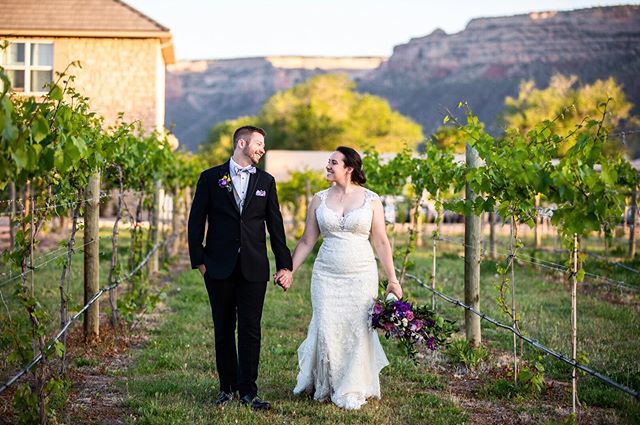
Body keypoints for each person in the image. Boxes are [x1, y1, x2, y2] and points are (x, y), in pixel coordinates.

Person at [277, 146, 403, 410]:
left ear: (349, 168)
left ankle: (352, 385)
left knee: (358, 329)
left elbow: (380, 241)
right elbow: (307, 240)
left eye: (333, 162)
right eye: (328, 161)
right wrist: (289, 269)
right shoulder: (319, 199)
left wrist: (392, 279)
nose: (328, 165)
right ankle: (328, 383)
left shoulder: (371, 200)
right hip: (325, 275)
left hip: (361, 275)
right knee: (326, 325)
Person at [188, 125, 293, 411]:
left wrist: (285, 265)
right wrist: (199, 261)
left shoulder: (266, 181)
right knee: (222, 328)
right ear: (242, 143)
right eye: (259, 143)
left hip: (254, 268)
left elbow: (276, 226)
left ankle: (248, 391)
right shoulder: (210, 178)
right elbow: (196, 221)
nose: (262, 149)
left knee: (250, 330)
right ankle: (227, 388)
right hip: (217, 267)